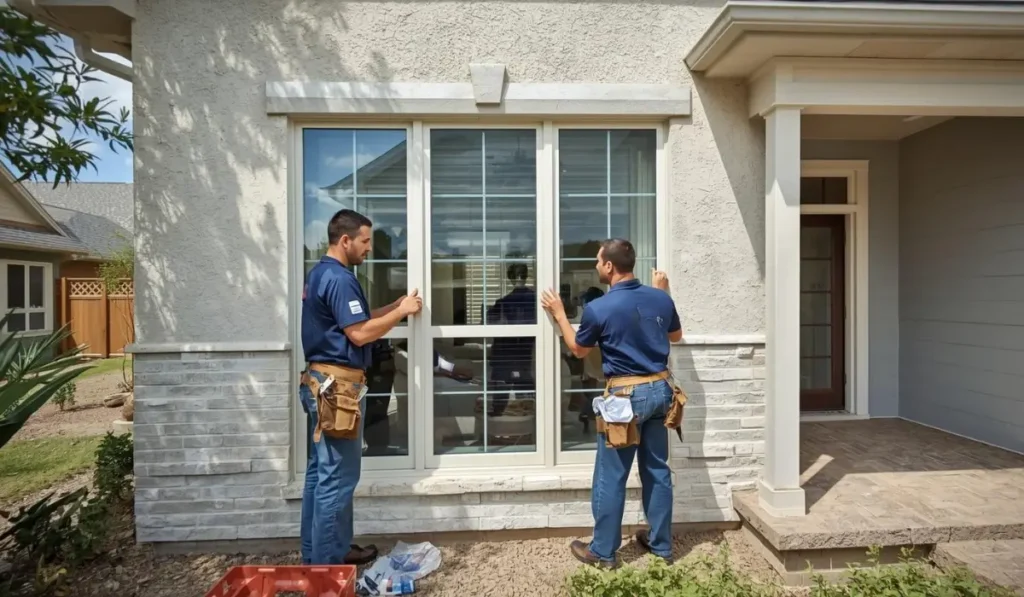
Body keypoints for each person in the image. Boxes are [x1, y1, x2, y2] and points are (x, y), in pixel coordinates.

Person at [541, 239, 683, 568]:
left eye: (597, 261)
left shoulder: (599, 308)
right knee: (657, 470)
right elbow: (674, 337)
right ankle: (661, 546)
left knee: (611, 475)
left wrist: (561, 315)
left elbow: (578, 348)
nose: (595, 266)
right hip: (662, 392)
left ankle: (602, 551)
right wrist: (664, 295)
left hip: (626, 399)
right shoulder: (659, 297)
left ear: (608, 266)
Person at [299, 208, 422, 565]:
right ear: (346, 240)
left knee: (320, 474)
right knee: (337, 478)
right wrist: (401, 313)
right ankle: (325, 569)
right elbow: (359, 332)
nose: (370, 248)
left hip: (322, 383)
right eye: (366, 241)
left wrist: (395, 305)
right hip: (337, 389)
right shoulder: (340, 278)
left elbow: (356, 320)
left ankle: (321, 553)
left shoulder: (321, 273)